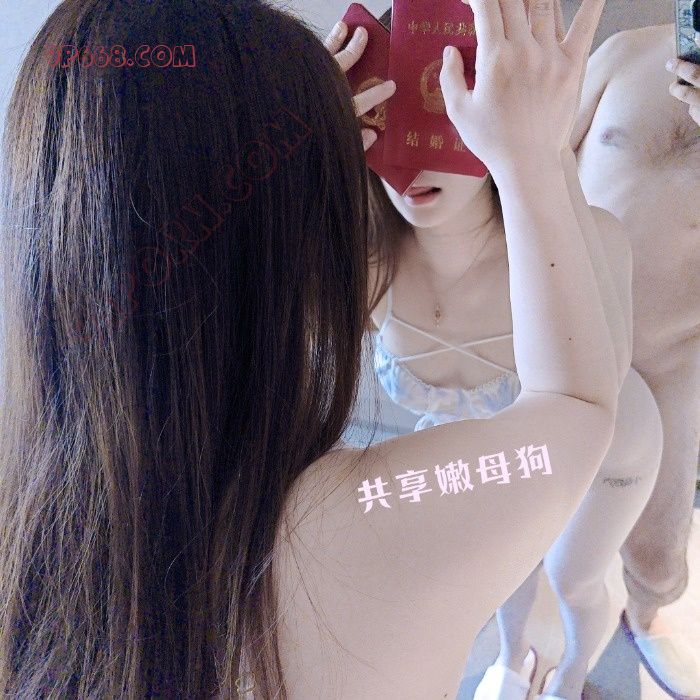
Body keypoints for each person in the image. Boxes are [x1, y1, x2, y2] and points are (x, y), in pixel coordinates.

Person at [0, 0, 621, 697]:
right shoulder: (371, 526)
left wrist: (290, 175)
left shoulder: (28, 523)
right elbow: (574, 407)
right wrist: (535, 158)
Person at [358, 2, 662, 698]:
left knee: (573, 578)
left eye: (445, 112)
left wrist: (542, 149)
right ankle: (512, 656)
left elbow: (597, 393)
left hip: (606, 455)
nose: (413, 155)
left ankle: (574, 673)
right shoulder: (368, 260)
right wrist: (307, 142)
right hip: (495, 455)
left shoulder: (591, 236)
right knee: (501, 567)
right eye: (386, 118)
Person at [570, 22, 700, 699]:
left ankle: (647, 618)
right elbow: (535, 156)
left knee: (656, 545)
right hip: (564, 337)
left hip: (671, 366)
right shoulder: (626, 51)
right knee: (542, 515)